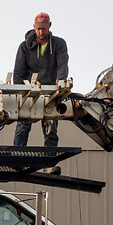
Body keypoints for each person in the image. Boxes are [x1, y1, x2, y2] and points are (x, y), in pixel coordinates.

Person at [12, 12, 69, 150]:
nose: (41, 32)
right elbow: (18, 73)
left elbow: (62, 65)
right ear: (34, 27)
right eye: (38, 28)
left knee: (51, 130)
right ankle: (17, 155)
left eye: (43, 28)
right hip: (29, 94)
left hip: (50, 93)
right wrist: (20, 93)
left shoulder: (59, 44)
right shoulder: (24, 47)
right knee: (22, 128)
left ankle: (50, 158)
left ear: (49, 25)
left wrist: (61, 82)